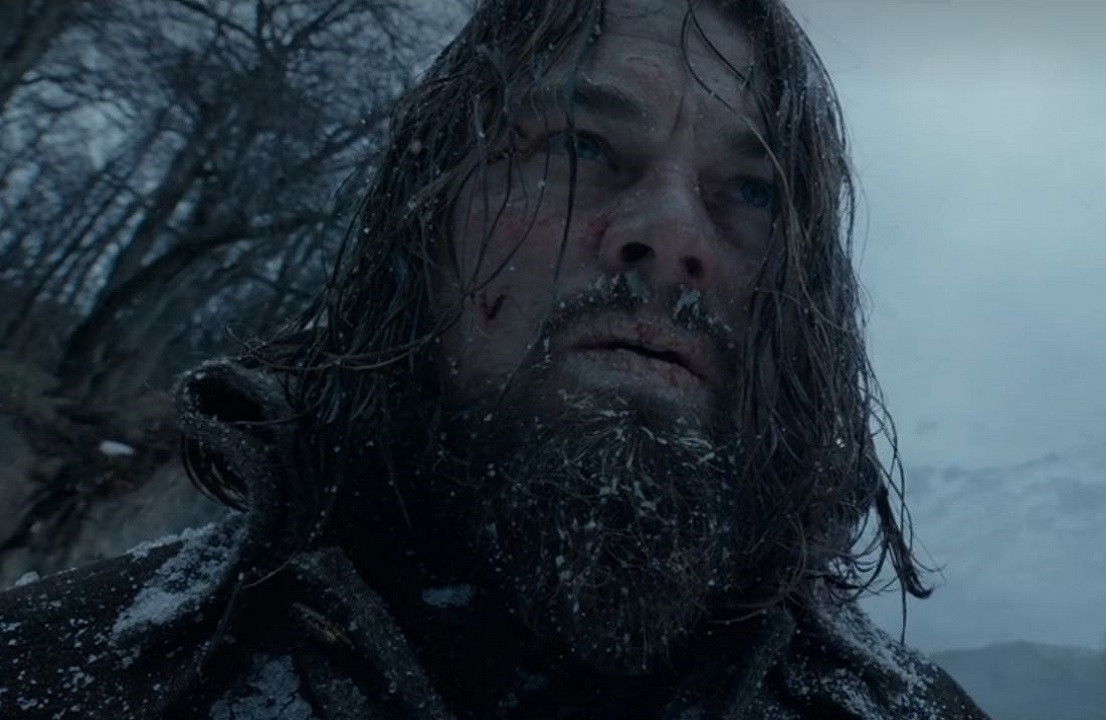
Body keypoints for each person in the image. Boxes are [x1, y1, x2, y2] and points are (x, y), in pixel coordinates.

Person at [0, 0, 992, 717]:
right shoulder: (56, 670)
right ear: (422, 214)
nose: (669, 234)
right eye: (581, 146)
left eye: (754, 191)